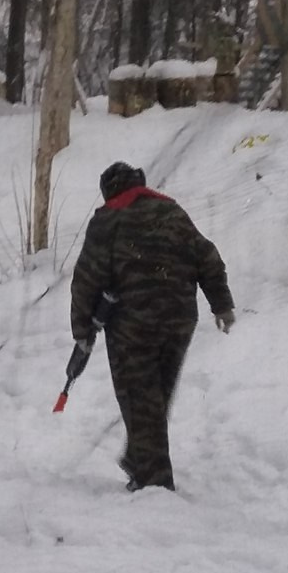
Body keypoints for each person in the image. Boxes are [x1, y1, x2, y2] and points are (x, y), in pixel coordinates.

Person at [70, 162, 235, 493]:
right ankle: (138, 457)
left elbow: (87, 277)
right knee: (155, 396)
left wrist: (82, 330)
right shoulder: (173, 212)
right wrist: (222, 304)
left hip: (134, 323)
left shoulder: (108, 219)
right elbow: (207, 256)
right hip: (179, 320)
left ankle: (154, 482)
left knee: (139, 397)